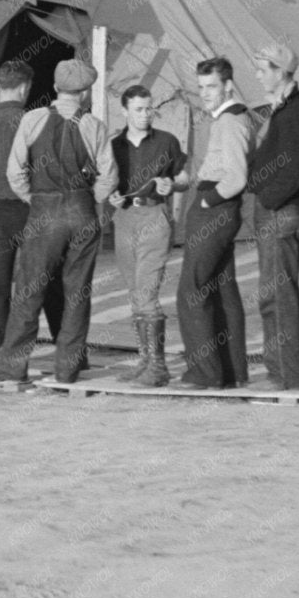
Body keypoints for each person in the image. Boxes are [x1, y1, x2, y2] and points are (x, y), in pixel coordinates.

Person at [0, 59, 117, 387]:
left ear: (56, 87)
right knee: (77, 293)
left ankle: (12, 369)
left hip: (44, 209)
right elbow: (109, 177)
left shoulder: (32, 119)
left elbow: (14, 171)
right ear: (86, 92)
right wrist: (91, 198)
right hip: (82, 209)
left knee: (29, 290)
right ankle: (67, 370)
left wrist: (33, 198)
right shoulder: (94, 125)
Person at [0, 61, 65, 368]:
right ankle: (69, 354)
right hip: (36, 208)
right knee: (49, 280)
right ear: (24, 88)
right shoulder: (38, 123)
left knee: (0, 287)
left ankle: (2, 359)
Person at [174, 57, 254, 389]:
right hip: (217, 208)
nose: (205, 93)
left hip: (214, 208)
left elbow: (235, 177)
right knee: (222, 289)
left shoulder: (231, 122)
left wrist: (208, 201)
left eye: (212, 87)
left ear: (228, 86)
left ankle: (204, 372)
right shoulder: (226, 119)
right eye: (201, 87)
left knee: (191, 291)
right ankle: (231, 371)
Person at [248, 42, 299, 391]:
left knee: (278, 295)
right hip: (278, 210)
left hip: (280, 211)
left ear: (279, 71)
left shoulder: (292, 114)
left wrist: (269, 199)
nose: (258, 76)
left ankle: (287, 375)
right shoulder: (285, 110)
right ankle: (282, 372)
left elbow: (296, 168)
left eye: (263, 70)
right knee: (272, 293)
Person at [108, 83, 182, 386]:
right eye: (138, 109)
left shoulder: (167, 141)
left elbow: (184, 174)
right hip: (125, 216)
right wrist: (109, 197)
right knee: (134, 291)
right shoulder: (114, 145)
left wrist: (172, 185)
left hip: (154, 215)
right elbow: (104, 181)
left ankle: (159, 366)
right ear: (125, 111)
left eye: (149, 108)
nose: (145, 114)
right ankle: (145, 361)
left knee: (147, 289)